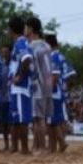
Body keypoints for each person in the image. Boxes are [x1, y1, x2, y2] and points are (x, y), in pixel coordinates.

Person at [25, 17, 54, 153]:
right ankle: (37, 146)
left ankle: (41, 147)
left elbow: (31, 67)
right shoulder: (46, 46)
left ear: (31, 29)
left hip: (37, 85)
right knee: (40, 118)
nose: (24, 30)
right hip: (47, 85)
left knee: (38, 118)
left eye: (26, 27)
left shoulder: (31, 47)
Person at [45, 32, 75, 153]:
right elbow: (71, 74)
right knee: (57, 120)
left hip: (54, 92)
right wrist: (65, 86)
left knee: (53, 121)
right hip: (60, 91)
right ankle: (54, 146)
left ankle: (61, 143)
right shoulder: (61, 56)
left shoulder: (53, 57)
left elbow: (55, 76)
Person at [7, 16, 33, 154]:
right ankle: (15, 147)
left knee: (22, 119)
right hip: (16, 87)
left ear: (11, 30)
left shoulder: (21, 42)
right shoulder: (19, 42)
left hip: (21, 87)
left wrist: (20, 77)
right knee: (16, 118)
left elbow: (26, 59)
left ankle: (24, 149)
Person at [0, 42, 12, 151]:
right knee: (4, 123)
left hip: (12, 97)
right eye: (3, 52)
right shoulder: (1, 66)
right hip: (3, 97)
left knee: (13, 123)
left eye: (6, 52)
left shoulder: (14, 65)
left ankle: (14, 143)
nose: (4, 54)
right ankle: (6, 144)